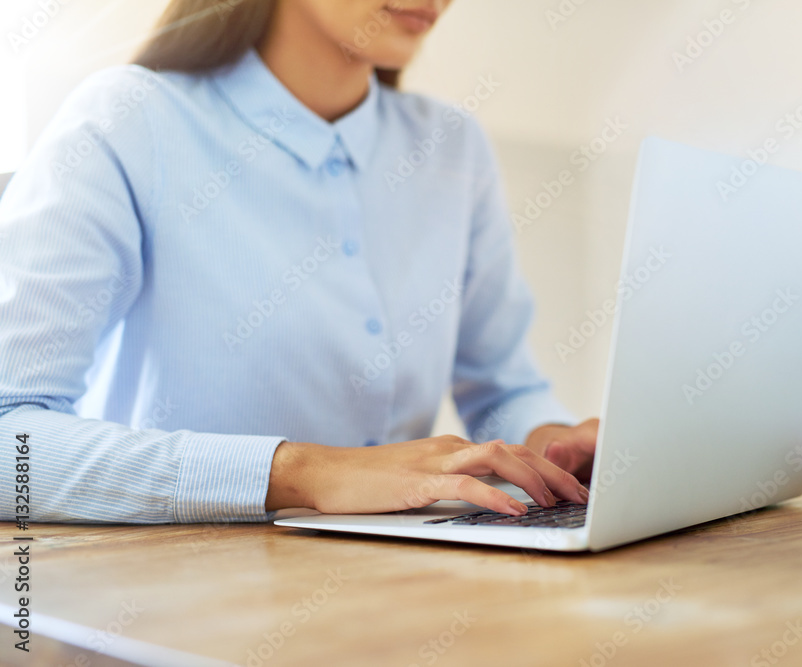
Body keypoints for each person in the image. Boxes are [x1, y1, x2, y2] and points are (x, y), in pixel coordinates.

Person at [0, 0, 599, 524]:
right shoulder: (127, 120)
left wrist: (552, 441)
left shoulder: (452, 145)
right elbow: (10, 440)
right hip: (180, 608)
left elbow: (501, 384)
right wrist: (302, 472)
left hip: (408, 590)